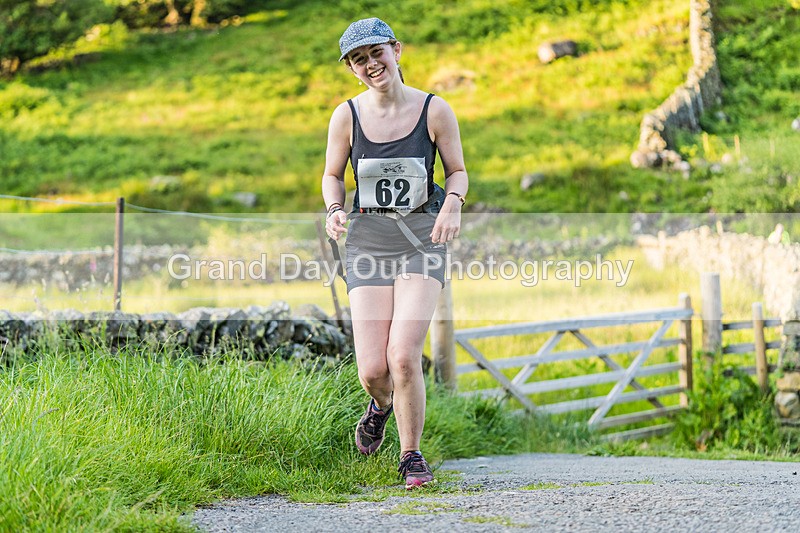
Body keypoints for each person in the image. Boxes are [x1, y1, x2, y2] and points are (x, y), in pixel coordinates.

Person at [321, 17, 468, 489]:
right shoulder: (347, 115)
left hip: (421, 240)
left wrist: (452, 205)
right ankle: (380, 406)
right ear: (352, 70)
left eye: (376, 53)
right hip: (368, 242)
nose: (371, 64)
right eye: (359, 60)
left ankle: (411, 455)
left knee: (403, 357)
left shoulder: (434, 109)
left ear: (396, 50)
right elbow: (331, 174)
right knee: (373, 369)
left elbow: (458, 171)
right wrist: (334, 209)